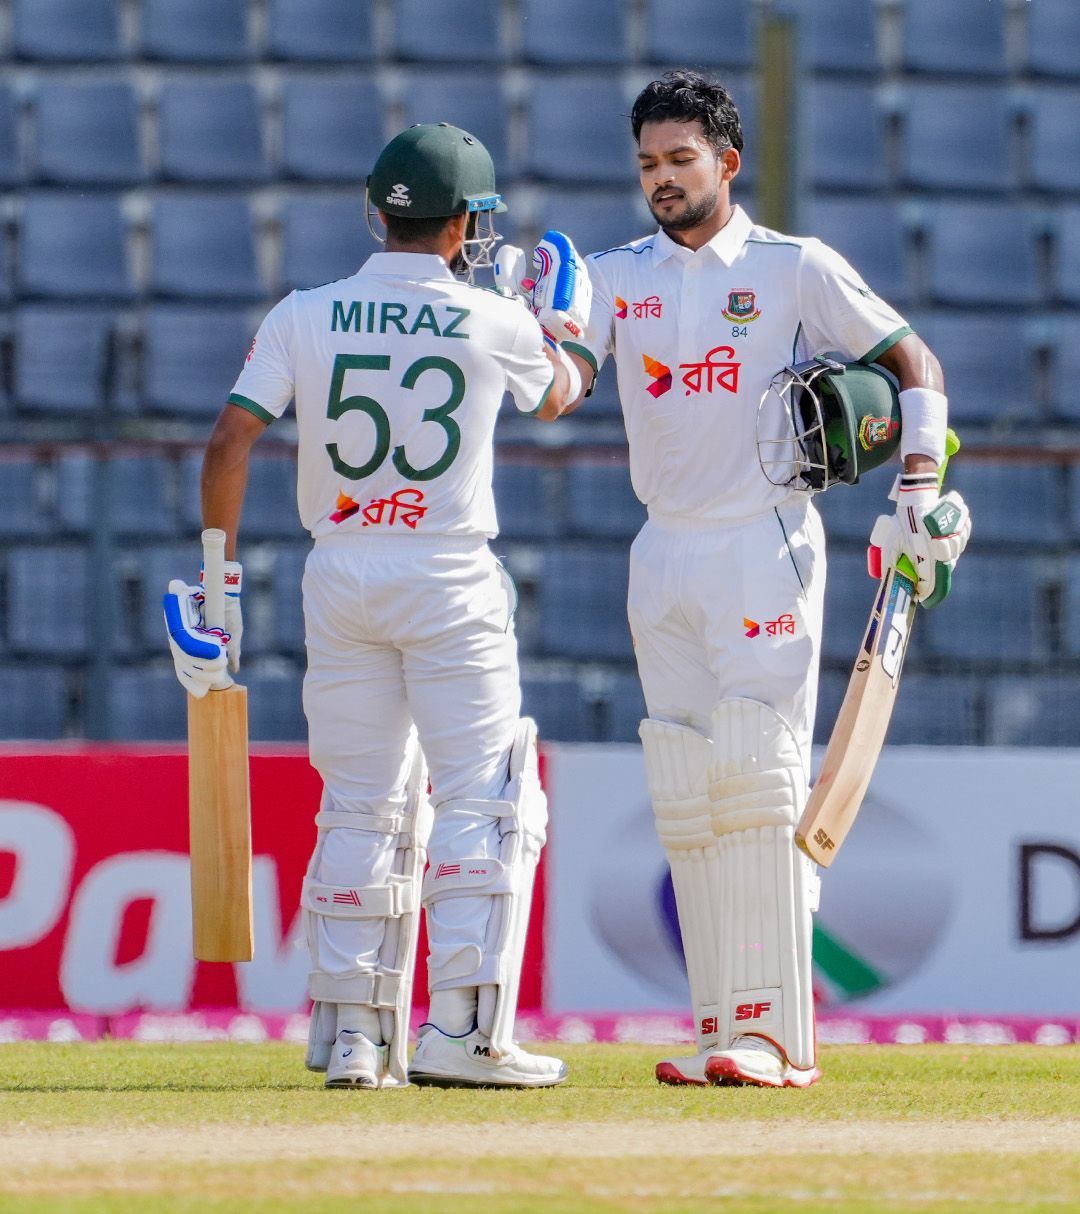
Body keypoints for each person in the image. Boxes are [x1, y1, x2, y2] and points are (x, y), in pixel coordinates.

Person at [527, 70, 971, 1087]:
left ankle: (776, 1036)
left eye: (682, 160)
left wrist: (915, 485)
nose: (663, 180)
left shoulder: (792, 265)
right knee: (686, 787)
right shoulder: (611, 273)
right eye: (647, 163)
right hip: (663, 546)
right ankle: (723, 1021)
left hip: (763, 538)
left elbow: (917, 365)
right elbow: (561, 393)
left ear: (727, 162)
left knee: (759, 776)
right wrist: (532, 336)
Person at [164, 122, 584, 1090]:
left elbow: (230, 441)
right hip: (446, 572)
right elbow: (559, 397)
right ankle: (467, 1035)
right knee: (483, 796)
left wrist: (220, 582)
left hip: (340, 568)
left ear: (377, 210)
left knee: (359, 800)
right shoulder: (492, 318)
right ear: (465, 226)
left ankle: (354, 1031)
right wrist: (562, 324)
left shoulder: (306, 311)